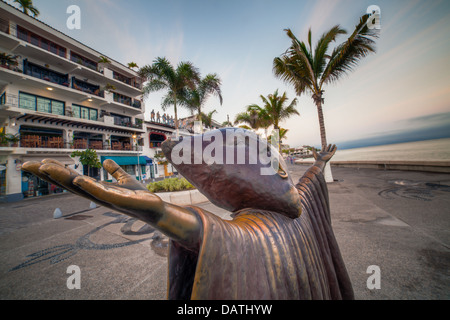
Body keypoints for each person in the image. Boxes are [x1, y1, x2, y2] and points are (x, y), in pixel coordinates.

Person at [22, 129, 353, 300]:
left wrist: (320, 162)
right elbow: (213, 235)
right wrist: (162, 211)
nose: (284, 175)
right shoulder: (278, 217)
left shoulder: (298, 202)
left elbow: (306, 185)